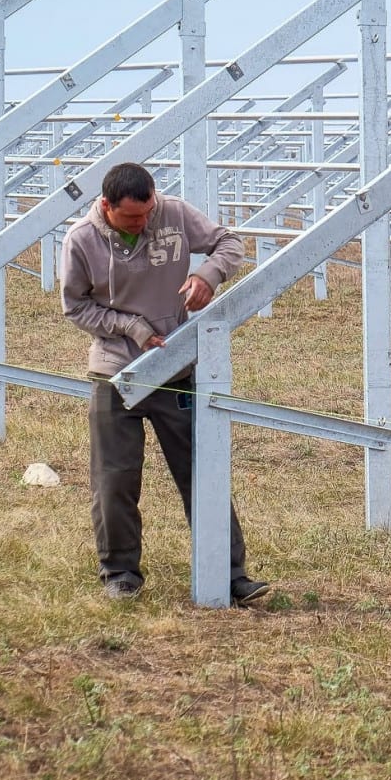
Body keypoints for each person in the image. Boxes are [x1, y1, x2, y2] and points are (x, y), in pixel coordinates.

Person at [61, 162, 271, 604]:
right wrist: (131, 328)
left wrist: (206, 275)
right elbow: (76, 307)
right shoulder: (81, 240)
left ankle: (230, 576)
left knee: (202, 471)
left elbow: (229, 242)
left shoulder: (173, 213)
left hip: (175, 369)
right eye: (131, 219)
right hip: (115, 373)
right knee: (114, 478)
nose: (142, 223)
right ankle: (120, 574)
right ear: (106, 206)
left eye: (147, 212)